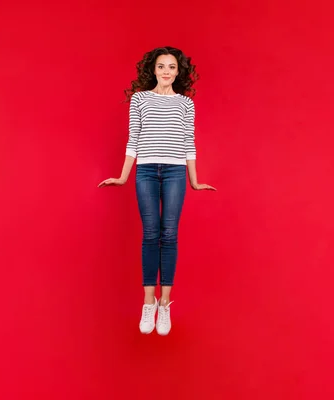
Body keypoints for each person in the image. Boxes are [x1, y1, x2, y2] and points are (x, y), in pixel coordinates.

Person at [98, 46, 216, 335]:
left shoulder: (186, 104)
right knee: (151, 233)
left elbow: (189, 142)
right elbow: (133, 139)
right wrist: (123, 176)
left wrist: (194, 180)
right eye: (161, 66)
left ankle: (165, 303)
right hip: (147, 171)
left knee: (169, 234)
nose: (166, 71)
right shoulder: (140, 99)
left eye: (172, 67)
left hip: (175, 171)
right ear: (153, 69)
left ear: (178, 72)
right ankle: (148, 302)